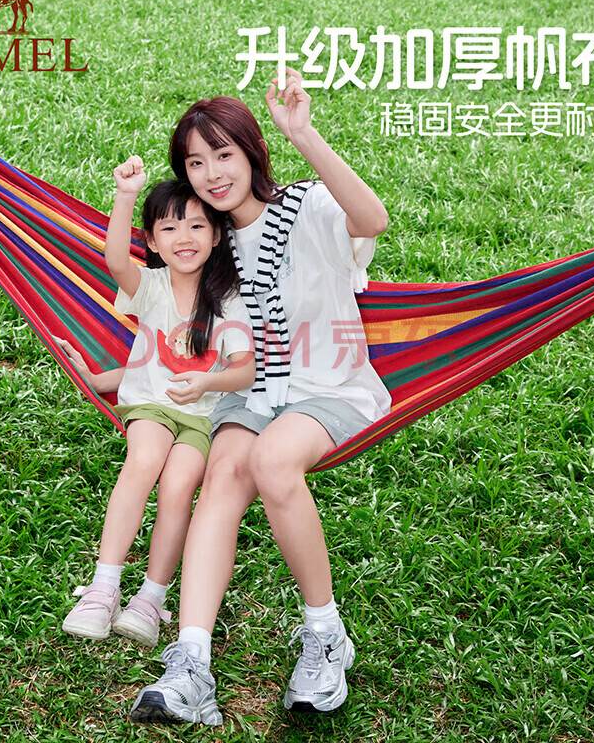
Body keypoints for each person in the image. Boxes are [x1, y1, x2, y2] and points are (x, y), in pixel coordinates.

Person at [129, 68, 392, 726]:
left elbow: (373, 219)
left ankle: (325, 635)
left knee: (272, 461)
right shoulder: (207, 247)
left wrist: (304, 135)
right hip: (254, 389)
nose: (211, 174)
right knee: (222, 476)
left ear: (251, 151)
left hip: (332, 386)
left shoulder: (308, 205)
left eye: (222, 154)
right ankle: (191, 664)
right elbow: (156, 305)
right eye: (195, 163)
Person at [58, 172, 254, 648]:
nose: (184, 237)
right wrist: (125, 196)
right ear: (152, 241)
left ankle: (150, 597)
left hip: (203, 417)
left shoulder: (230, 300)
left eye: (197, 226)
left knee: (179, 486)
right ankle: (103, 587)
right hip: (149, 405)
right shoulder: (150, 286)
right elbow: (114, 261)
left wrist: (208, 382)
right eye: (169, 228)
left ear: (216, 236)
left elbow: (244, 371)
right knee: (144, 459)